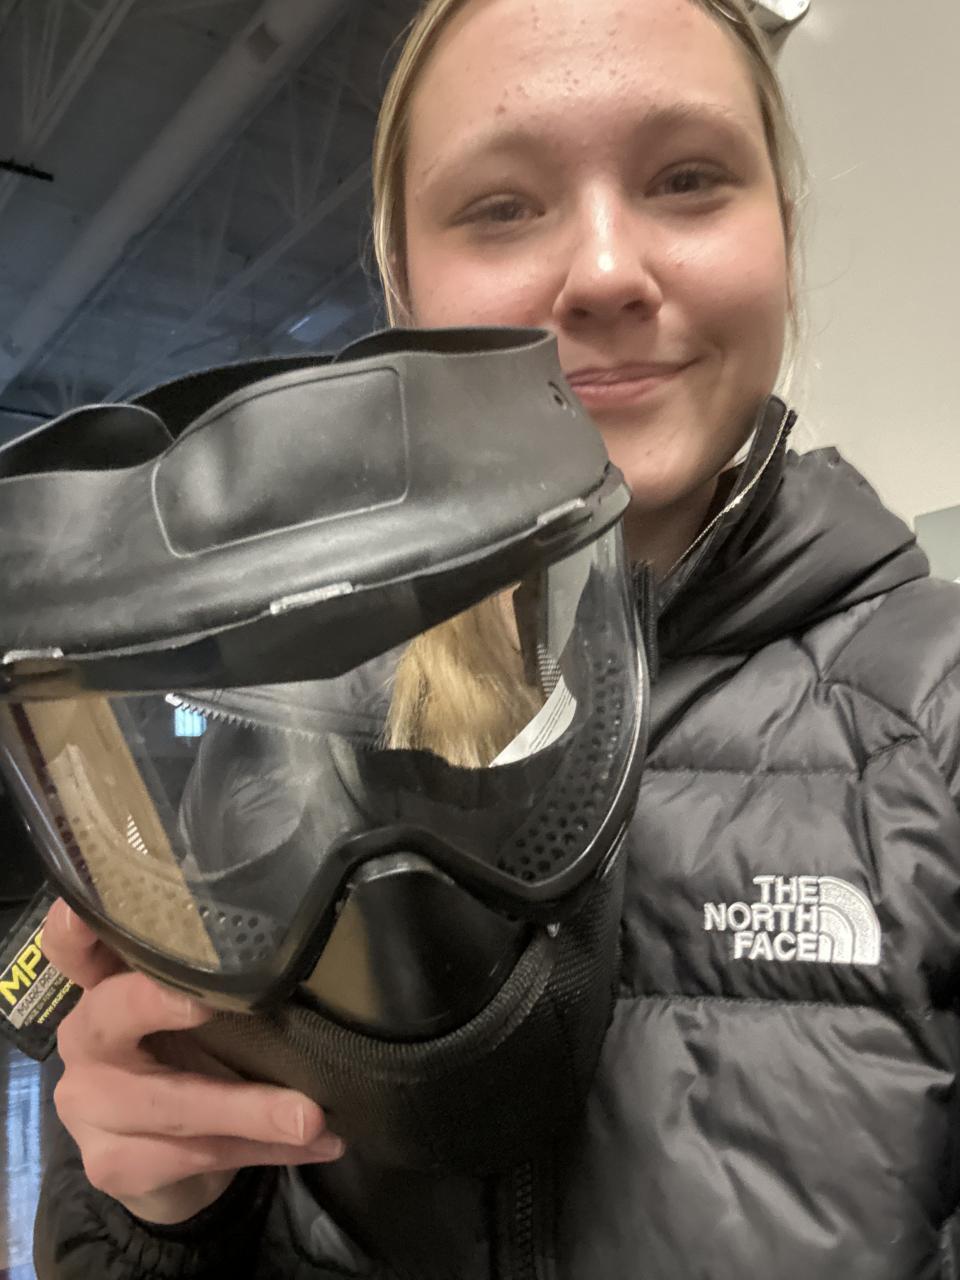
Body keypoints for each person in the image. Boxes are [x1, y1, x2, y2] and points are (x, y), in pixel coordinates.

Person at [33, 0, 960, 1276]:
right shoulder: (272, 750)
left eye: (688, 179)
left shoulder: (936, 731)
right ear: (404, 287)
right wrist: (155, 1216)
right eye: (502, 206)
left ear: (783, 239)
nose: (606, 271)